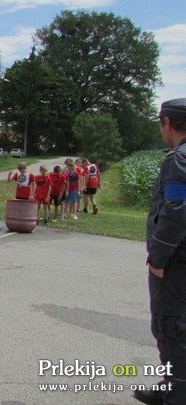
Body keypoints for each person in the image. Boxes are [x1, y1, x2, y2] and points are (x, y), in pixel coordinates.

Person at [135, 98, 186, 405]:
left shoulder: (178, 160)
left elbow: (177, 211)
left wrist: (158, 258)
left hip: (177, 263)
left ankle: (176, 393)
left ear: (167, 123)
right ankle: (171, 384)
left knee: (172, 327)